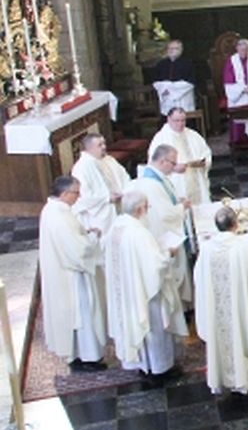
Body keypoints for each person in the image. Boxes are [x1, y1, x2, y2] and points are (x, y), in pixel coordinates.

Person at [194, 206, 248, 396]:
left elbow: (199, 279)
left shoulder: (206, 249)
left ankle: (226, 380)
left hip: (219, 314)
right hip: (242, 312)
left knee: (222, 339)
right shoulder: (245, 249)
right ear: (236, 224)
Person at [104, 189, 186, 382]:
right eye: (147, 207)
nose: (148, 211)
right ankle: (160, 370)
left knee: (138, 327)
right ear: (140, 209)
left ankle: (143, 366)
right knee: (154, 329)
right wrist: (169, 253)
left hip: (127, 292)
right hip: (144, 293)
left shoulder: (116, 227)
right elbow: (155, 266)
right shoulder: (138, 233)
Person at [38, 176, 106, 371]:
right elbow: (78, 250)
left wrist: (84, 231)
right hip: (72, 278)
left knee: (76, 318)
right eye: (76, 193)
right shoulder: (58, 215)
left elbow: (68, 238)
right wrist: (92, 237)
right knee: (82, 316)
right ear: (65, 193)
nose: (79, 197)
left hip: (63, 273)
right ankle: (88, 357)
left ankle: (79, 354)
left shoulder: (53, 210)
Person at [130, 145, 193, 307]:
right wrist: (182, 207)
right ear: (163, 161)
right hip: (164, 235)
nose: (174, 167)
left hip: (165, 231)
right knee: (172, 276)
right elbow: (166, 214)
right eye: (173, 163)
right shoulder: (151, 184)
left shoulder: (157, 178)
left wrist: (177, 201)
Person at [148, 107, 213, 205]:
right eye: (177, 121)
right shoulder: (160, 138)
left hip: (196, 180)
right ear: (168, 119)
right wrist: (173, 168)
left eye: (183, 120)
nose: (180, 124)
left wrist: (203, 163)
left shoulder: (193, 135)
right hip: (175, 181)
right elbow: (154, 165)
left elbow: (206, 154)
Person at [71, 133, 130, 235]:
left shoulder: (108, 159)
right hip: (99, 214)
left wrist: (125, 191)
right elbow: (83, 197)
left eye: (104, 143)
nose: (104, 147)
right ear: (89, 148)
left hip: (119, 205)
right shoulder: (81, 168)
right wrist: (107, 198)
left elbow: (124, 176)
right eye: (100, 145)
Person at [151, 39, 196, 115]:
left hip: (183, 98)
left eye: (175, 48)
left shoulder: (188, 63)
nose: (171, 50)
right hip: (167, 98)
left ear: (181, 50)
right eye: (169, 48)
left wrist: (172, 88)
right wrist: (166, 87)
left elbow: (191, 82)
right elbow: (156, 82)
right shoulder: (161, 64)